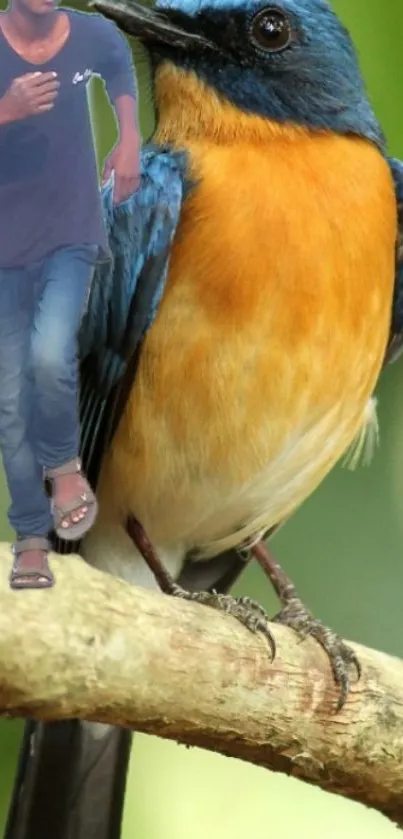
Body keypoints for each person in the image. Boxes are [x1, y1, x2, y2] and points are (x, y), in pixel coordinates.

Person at [0, 0, 140, 589]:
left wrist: (129, 137)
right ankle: (32, 538)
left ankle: (64, 472)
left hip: (69, 237)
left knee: (51, 356)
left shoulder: (95, 36)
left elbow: (121, 72)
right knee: (9, 401)